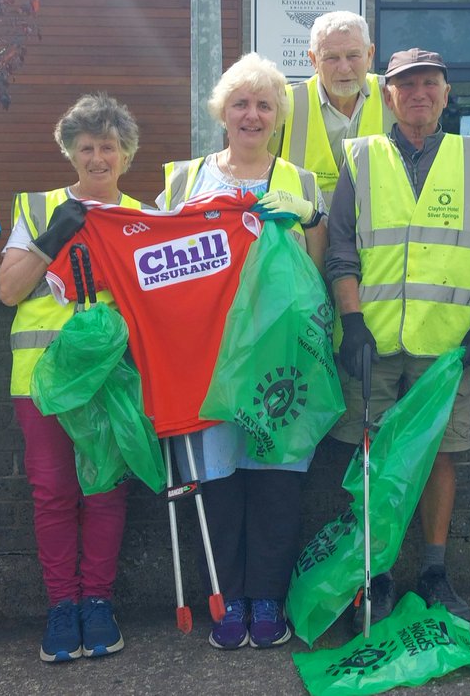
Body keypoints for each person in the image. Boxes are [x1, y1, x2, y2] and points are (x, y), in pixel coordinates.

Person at [326, 48, 470, 629]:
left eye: (430, 84)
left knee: (438, 457)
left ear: (445, 91)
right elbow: (340, 253)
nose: (418, 95)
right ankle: (373, 574)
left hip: (447, 344)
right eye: (406, 86)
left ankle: (433, 570)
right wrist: (351, 322)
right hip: (373, 343)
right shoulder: (359, 157)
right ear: (387, 96)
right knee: (370, 460)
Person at [159, 51, 327, 650]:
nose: (252, 115)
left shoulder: (301, 181)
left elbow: (319, 268)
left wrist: (310, 217)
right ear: (221, 112)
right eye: (240, 103)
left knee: (277, 482)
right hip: (205, 359)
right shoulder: (184, 179)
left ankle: (267, 597)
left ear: (279, 115)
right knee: (220, 481)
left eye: (263, 104)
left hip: (282, 361)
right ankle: (227, 596)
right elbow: (157, 269)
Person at [0, 94, 143, 663]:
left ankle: (98, 604)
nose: (98, 157)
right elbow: (9, 291)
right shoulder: (37, 208)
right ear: (70, 152)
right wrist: (49, 237)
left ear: (125, 155)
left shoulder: (141, 216)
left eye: (109, 146)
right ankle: (62, 607)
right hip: (40, 382)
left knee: (105, 490)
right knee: (54, 495)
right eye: (87, 147)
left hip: (108, 383)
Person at [274, 10, 393, 205]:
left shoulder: (393, 97)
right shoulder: (285, 103)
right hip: (304, 233)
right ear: (313, 60)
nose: (344, 68)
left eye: (353, 55)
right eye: (331, 58)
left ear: (370, 55)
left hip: (373, 234)